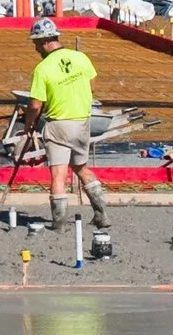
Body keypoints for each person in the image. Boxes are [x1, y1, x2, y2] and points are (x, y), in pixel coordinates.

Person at [17, 22, 108, 239]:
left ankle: (59, 223)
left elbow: (36, 105)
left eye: (36, 44)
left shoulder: (43, 69)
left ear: (44, 41)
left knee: (58, 174)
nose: (35, 48)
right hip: (83, 121)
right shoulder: (80, 57)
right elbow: (92, 84)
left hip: (59, 124)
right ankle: (101, 214)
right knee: (81, 167)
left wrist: (29, 125)